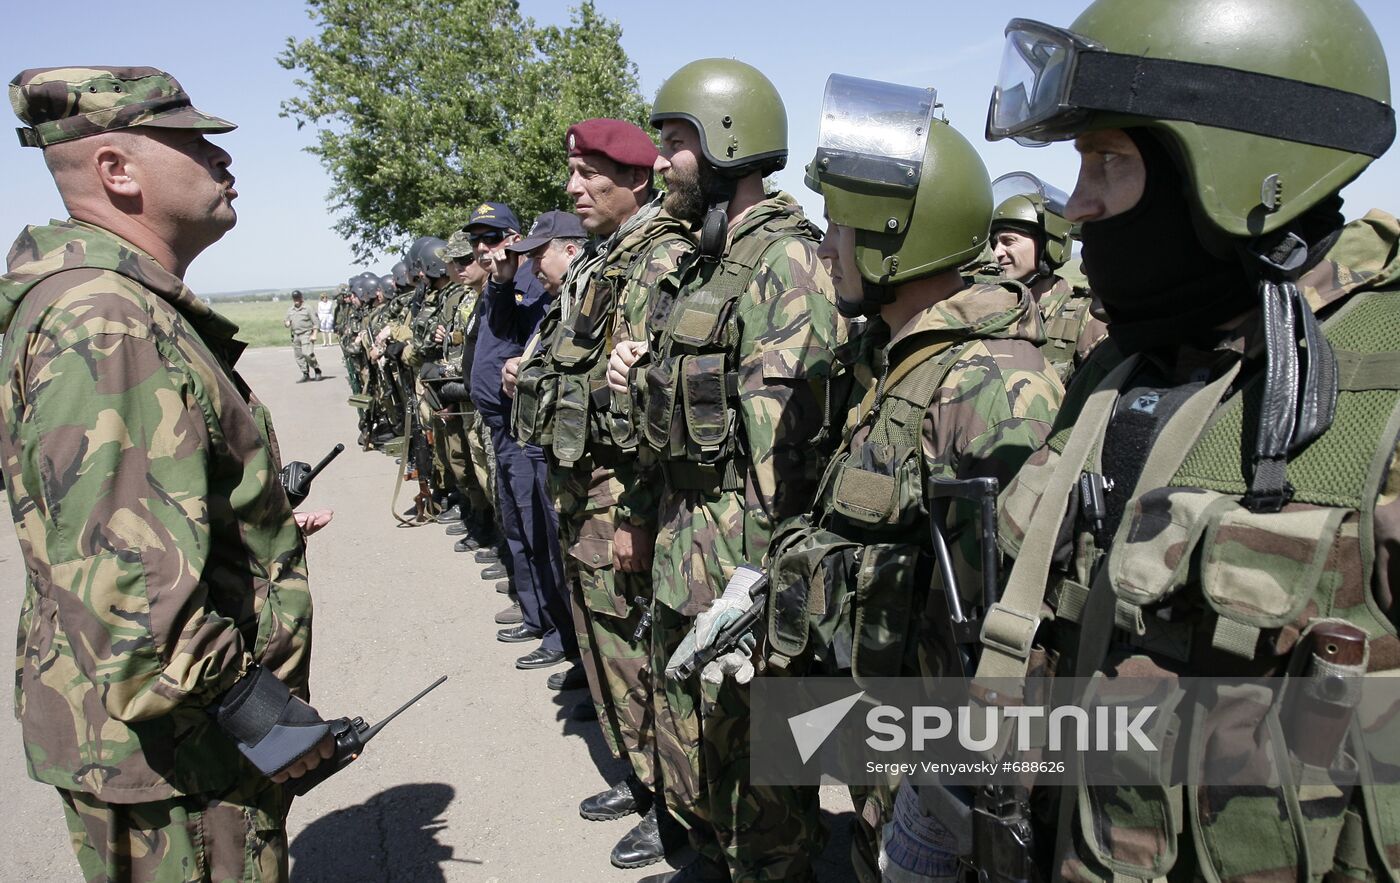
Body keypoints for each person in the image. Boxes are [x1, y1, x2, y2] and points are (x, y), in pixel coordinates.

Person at [980, 0, 1400, 878]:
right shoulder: (1123, 371)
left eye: (1111, 160)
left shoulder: (1383, 386)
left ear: (1241, 169)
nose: (1079, 204)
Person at [1, 65, 336, 883]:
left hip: (160, 740)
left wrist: (250, 514)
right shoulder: (106, 317)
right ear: (116, 170)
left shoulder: (99, 300)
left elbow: (110, 511)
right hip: (179, 757)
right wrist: (268, 721)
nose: (223, 163)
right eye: (194, 142)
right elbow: (133, 590)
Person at [608, 59, 841, 883]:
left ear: (725, 145)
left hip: (743, 566)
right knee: (699, 771)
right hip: (685, 551)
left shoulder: (784, 262)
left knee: (762, 802)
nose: (660, 160)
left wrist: (768, 585)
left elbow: (791, 450)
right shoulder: (699, 266)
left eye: (675, 142)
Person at [508, 118, 695, 872]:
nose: (573, 188)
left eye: (590, 174)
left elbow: (653, 403)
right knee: (601, 642)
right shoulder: (602, 261)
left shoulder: (662, 261)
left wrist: (636, 516)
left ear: (638, 180)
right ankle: (642, 778)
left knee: (638, 649)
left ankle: (671, 805)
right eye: (574, 173)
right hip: (580, 488)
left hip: (621, 495)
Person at [467, 202, 578, 670]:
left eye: (492, 238)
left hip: (528, 429)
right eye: (478, 240)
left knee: (544, 534)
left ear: (512, 237)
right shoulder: (508, 284)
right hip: (504, 426)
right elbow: (496, 337)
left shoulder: (538, 284)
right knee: (519, 528)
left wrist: (511, 280)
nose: (482, 249)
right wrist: (499, 282)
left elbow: (531, 347)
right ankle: (539, 618)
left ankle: (561, 636)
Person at [989, 172, 1106, 383]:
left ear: (1047, 246)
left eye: (1009, 241)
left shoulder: (1085, 317)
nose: (997, 252)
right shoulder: (992, 309)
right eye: (995, 243)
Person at [284, 289, 322, 382]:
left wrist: (315, 334)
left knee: (307, 353)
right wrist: (287, 323)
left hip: (306, 333)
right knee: (299, 356)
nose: (296, 300)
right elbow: (286, 321)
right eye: (294, 298)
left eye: (297, 298)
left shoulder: (308, 308)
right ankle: (305, 373)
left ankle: (317, 370)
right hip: (296, 335)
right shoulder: (290, 310)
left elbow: (316, 321)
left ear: (301, 298)